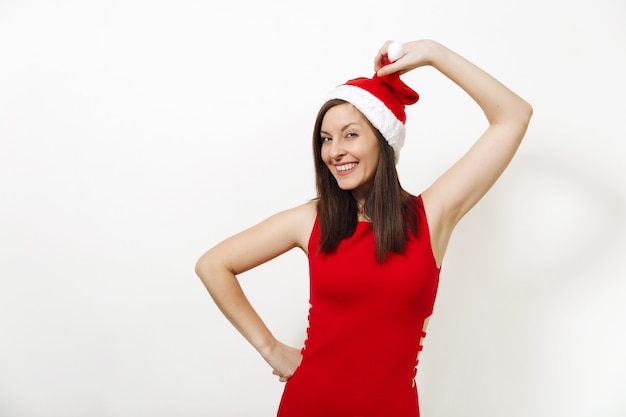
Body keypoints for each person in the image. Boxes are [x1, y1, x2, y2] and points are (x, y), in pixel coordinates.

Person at [195, 38, 532, 417]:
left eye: (350, 134)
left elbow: (514, 116)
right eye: (326, 139)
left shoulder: (430, 216)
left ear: (383, 141)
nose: (334, 150)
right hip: (309, 405)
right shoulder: (311, 220)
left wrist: (436, 55)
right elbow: (213, 264)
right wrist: (270, 348)